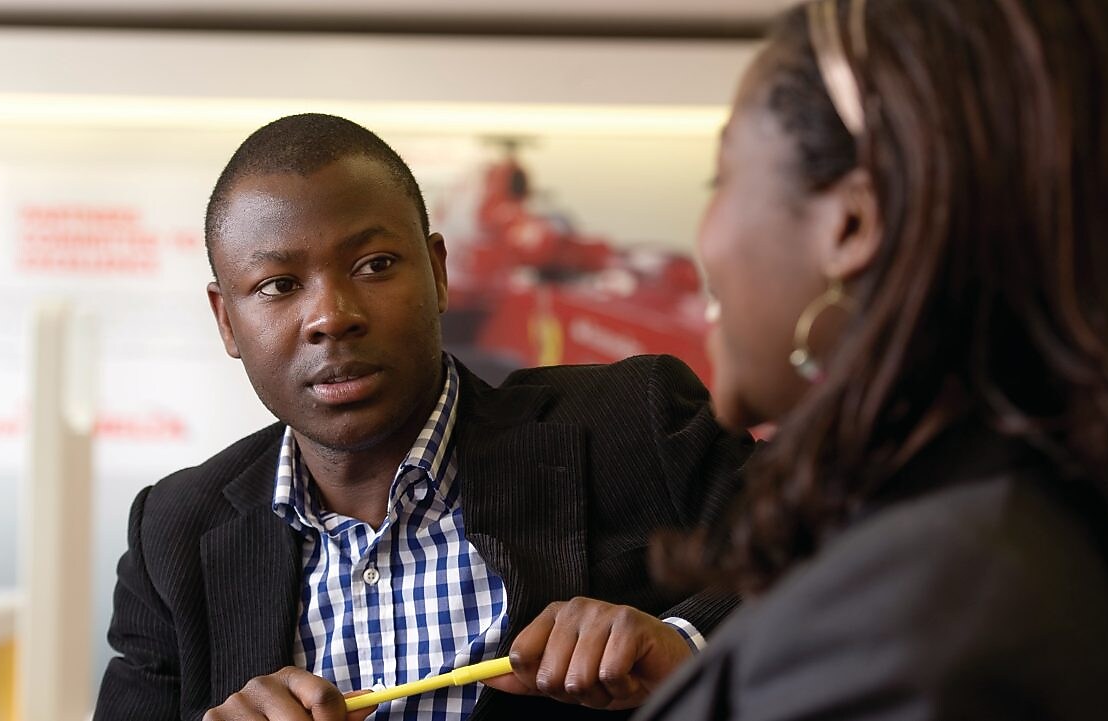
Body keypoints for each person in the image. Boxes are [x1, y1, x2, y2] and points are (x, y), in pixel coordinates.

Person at [94, 113, 755, 721]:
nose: (331, 315)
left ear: (438, 273)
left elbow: (832, 561)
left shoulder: (632, 424)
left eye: (374, 264)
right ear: (226, 320)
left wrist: (682, 644)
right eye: (279, 286)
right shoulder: (173, 536)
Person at [635, 0, 1108, 719]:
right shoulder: (990, 534)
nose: (704, 239)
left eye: (721, 178)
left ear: (853, 223)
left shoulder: (921, 613)